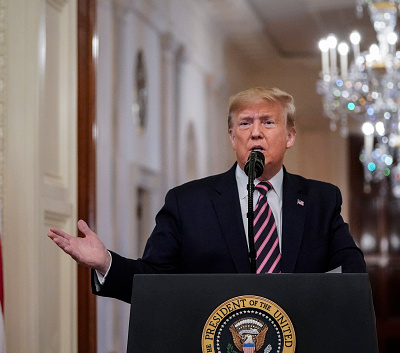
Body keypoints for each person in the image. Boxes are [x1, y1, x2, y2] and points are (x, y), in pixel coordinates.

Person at [48, 87, 366, 303]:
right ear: (232, 136)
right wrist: (106, 263)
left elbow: (350, 271)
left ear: (290, 136)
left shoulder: (321, 200)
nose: (256, 132)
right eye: (245, 123)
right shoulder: (187, 203)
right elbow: (154, 279)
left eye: (268, 122)